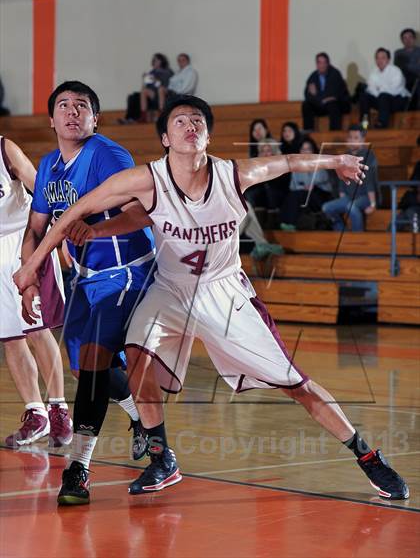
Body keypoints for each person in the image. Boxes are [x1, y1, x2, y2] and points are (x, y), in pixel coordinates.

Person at [14, 95, 409, 505]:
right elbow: (76, 211)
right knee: (135, 354)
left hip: (224, 293)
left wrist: (336, 162)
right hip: (169, 289)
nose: (189, 125)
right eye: (180, 120)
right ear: (165, 138)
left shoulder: (232, 175)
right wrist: (33, 267)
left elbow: (289, 161)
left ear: (208, 134)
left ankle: (367, 455)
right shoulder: (147, 179)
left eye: (197, 120)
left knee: (296, 384)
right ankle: (160, 456)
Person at [17, 81, 157, 494]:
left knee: (95, 361)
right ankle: (139, 416)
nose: (72, 111)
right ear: (52, 119)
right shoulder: (48, 166)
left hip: (128, 270)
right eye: (64, 105)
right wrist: (29, 279)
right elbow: (37, 227)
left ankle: (77, 469)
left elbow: (141, 215)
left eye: (82, 106)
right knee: (82, 368)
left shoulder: (108, 155)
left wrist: (95, 231)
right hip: (85, 277)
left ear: (95, 119)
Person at [0, 137, 71, 447]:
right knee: (10, 337)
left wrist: (59, 233)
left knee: (36, 329)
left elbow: (40, 190)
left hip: (22, 241)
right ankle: (36, 413)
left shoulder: (5, 149)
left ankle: (59, 408)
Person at [322, 124, 378, 231]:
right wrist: (342, 196)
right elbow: (342, 179)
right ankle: (342, 232)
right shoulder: (345, 155)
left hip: (365, 196)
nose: (352, 140)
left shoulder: (369, 155)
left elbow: (370, 180)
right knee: (326, 208)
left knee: (351, 207)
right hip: (349, 196)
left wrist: (373, 203)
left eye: (356, 138)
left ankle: (357, 237)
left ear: (362, 139)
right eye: (350, 137)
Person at [280, 136, 333, 228]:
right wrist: (304, 187)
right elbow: (293, 186)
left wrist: (309, 168)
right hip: (303, 196)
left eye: (308, 149)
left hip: (320, 195)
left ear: (313, 151)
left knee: (298, 195)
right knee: (292, 195)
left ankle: (289, 223)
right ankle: (287, 223)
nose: (305, 152)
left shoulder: (320, 163)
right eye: (303, 149)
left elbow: (319, 180)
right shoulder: (296, 166)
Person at [359, 48, 410, 128]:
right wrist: (381, 90)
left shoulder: (395, 71)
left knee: (384, 95)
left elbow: (394, 89)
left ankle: (382, 123)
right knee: (364, 97)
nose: (380, 60)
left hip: (398, 100)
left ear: (388, 59)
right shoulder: (373, 72)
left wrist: (380, 89)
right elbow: (371, 89)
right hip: (381, 101)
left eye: (383, 58)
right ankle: (364, 124)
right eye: (377, 58)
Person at [302, 52, 351, 131]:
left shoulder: (335, 74)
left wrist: (316, 94)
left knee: (333, 105)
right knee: (306, 105)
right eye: (319, 62)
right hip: (320, 104)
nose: (322, 65)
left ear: (328, 63)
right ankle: (308, 131)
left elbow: (332, 94)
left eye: (324, 62)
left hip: (339, 104)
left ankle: (334, 132)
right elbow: (307, 95)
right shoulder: (313, 76)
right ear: (316, 64)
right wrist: (321, 99)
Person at [394, 28, 420, 110]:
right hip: (404, 79)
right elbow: (398, 69)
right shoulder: (398, 53)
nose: (408, 40)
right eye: (405, 38)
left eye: (410, 37)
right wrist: (416, 64)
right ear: (402, 40)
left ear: (414, 39)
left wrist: (406, 65)